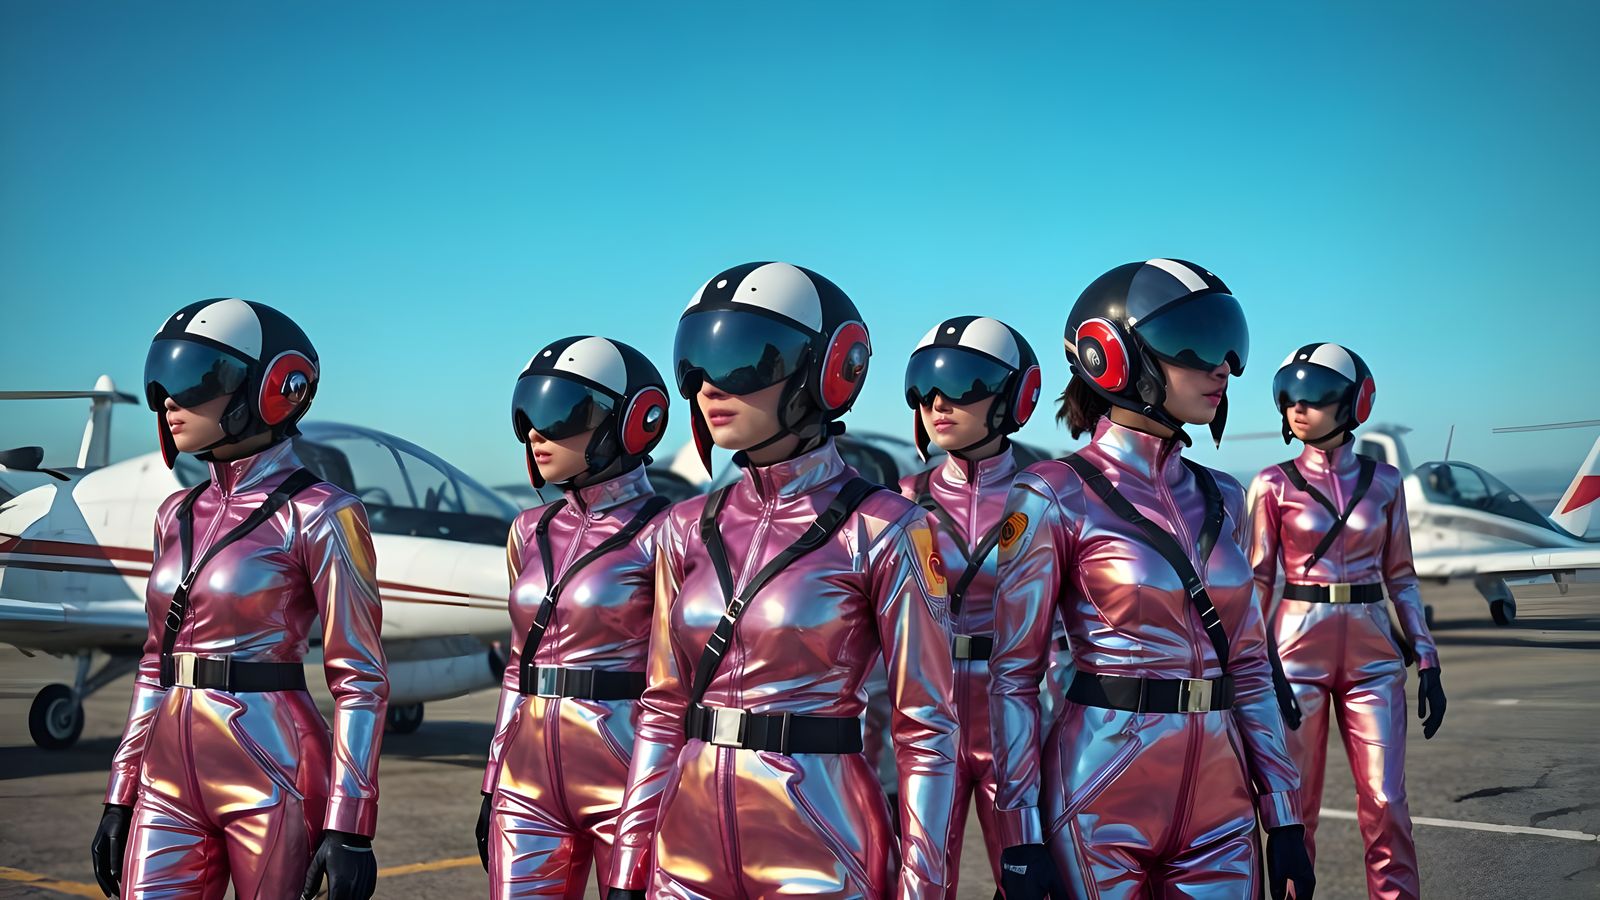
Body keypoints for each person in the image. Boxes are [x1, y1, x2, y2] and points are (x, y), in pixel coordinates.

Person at [608, 261, 959, 899]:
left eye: (740, 360)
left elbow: (926, 728)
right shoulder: (683, 528)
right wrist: (630, 864)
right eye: (697, 362)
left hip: (821, 844)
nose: (709, 386)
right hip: (681, 853)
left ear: (822, 373)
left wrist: (922, 887)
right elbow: (660, 709)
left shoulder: (887, 528)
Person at [988, 260, 1315, 900]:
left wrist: (1283, 818)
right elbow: (1015, 678)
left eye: (1229, 344)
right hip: (1098, 797)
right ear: (1112, 354)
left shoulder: (1224, 496)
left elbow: (1248, 666)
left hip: (1223, 807)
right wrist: (1019, 835)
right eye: (1194, 344)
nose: (1223, 365)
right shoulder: (1051, 495)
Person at [92, 298, 386, 900]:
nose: (167, 399)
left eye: (196, 378)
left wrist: (351, 825)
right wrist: (121, 791)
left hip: (273, 768)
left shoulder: (324, 513)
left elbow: (360, 678)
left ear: (274, 388)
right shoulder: (174, 515)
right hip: (165, 772)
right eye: (160, 379)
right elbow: (155, 663)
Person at [476, 336, 674, 898]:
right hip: (525, 780)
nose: (537, 433)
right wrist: (494, 782)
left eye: (561, 414)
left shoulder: (670, 532)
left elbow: (673, 686)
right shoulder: (527, 530)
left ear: (632, 421)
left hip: (630, 775)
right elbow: (518, 665)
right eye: (527, 415)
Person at [1247, 342, 1445, 900]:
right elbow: (1257, 583)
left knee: (1386, 803)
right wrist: (1258, 669)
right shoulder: (1272, 484)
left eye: (1313, 395)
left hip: (1375, 656)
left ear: (1354, 403)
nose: (1297, 408)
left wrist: (1426, 657)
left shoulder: (1385, 484)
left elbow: (1402, 577)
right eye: (1287, 395)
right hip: (1292, 656)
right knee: (1294, 808)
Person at [898, 314, 1042, 896]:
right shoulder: (905, 500)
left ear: (1012, 395)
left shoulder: (1045, 494)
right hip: (930, 711)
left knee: (1030, 880)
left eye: (962, 386)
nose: (938, 403)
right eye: (926, 388)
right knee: (921, 882)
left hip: (1020, 713)